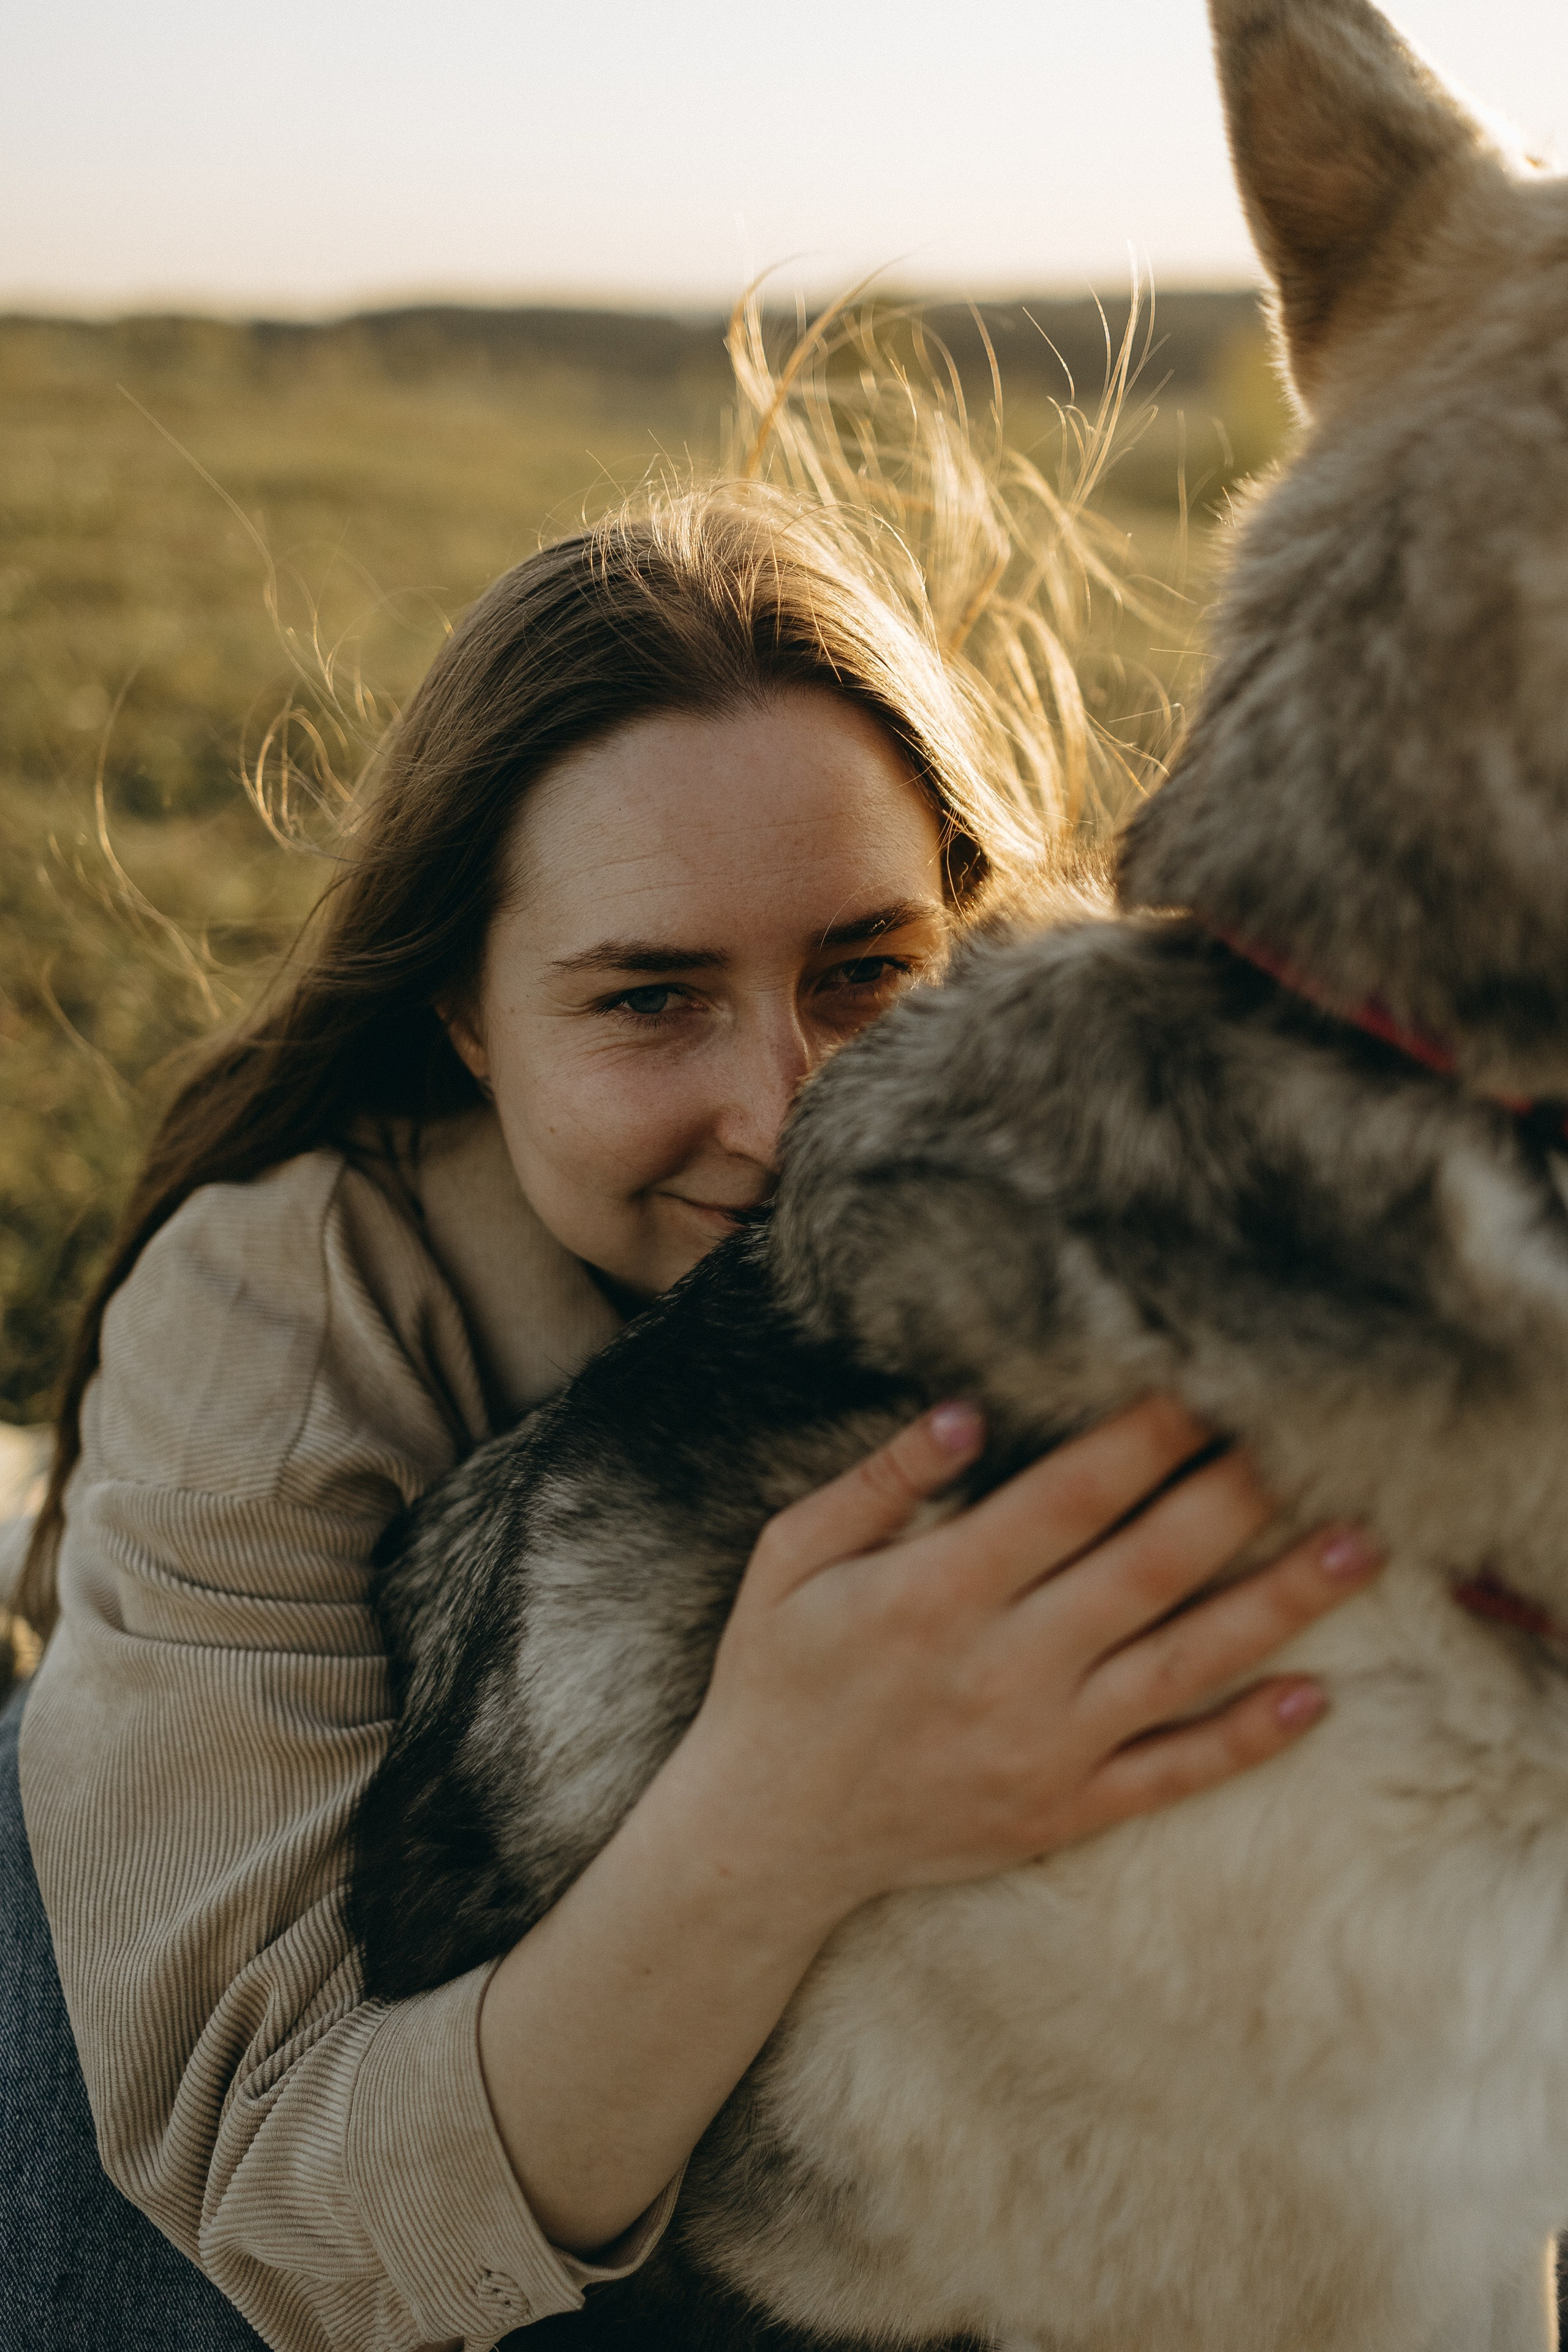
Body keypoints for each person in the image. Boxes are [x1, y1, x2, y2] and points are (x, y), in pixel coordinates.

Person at [0, 311, 1384, 2352]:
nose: (785, 1112)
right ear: (467, 1016)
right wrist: (790, 1809)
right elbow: (273, 2201)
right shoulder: (275, 1323)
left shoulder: (1108, 1198)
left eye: (866, 972)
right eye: (650, 999)